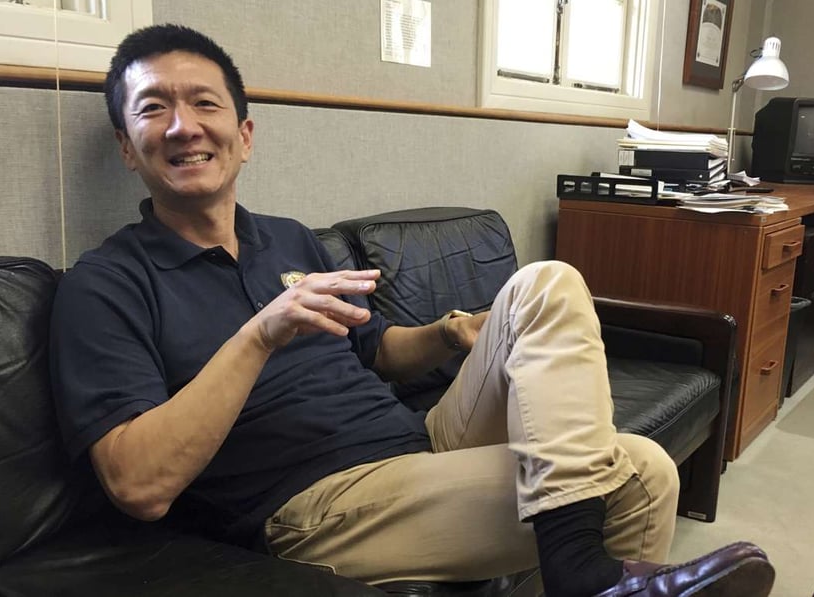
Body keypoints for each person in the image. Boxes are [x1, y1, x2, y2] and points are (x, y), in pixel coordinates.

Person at [49, 24, 774, 597]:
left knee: (548, 283)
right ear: (126, 147)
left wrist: (452, 333)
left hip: (418, 443)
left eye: (204, 103)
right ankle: (581, 572)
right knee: (638, 474)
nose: (182, 126)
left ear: (244, 135)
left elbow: (376, 351)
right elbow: (137, 484)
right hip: (307, 504)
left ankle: (581, 573)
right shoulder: (106, 284)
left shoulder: (290, 240)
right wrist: (261, 333)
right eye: (154, 109)